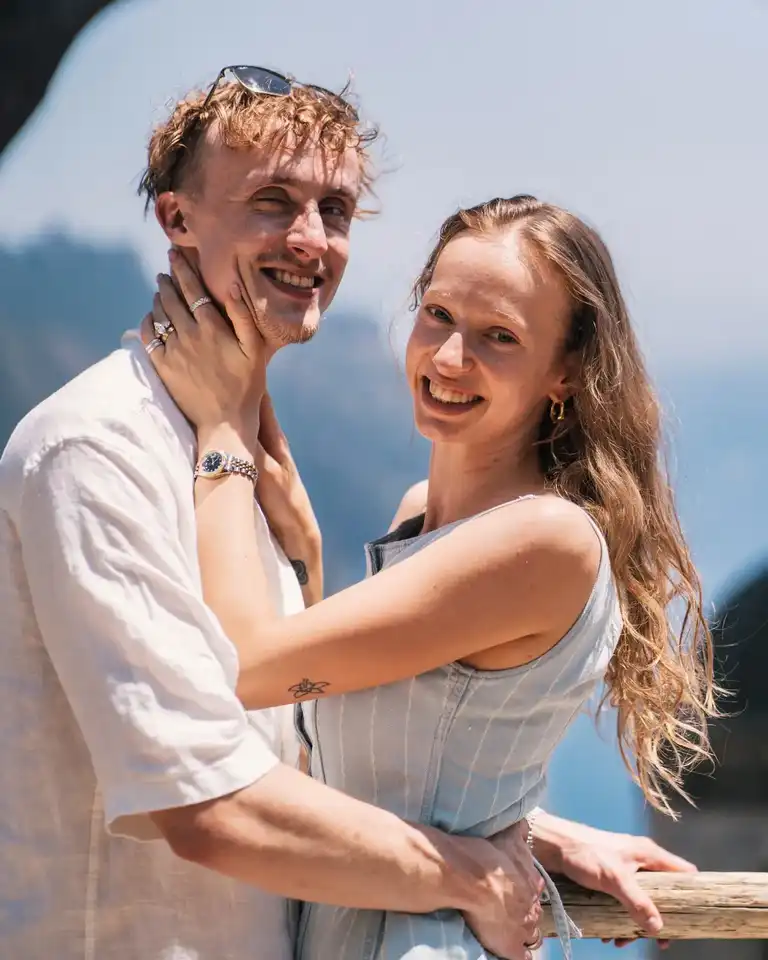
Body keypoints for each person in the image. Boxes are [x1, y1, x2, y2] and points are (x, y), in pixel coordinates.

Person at [0, 65, 695, 960]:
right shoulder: (98, 451)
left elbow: (289, 741)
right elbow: (207, 801)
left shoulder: (236, 471)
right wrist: (469, 866)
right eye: (271, 201)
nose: (309, 238)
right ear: (177, 219)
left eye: (334, 209)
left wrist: (525, 829)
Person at [144, 190, 720, 959]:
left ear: (566, 374)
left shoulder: (543, 540)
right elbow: (368, 753)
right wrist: (536, 829)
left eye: (499, 337)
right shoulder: (425, 515)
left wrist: (221, 436)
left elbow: (242, 667)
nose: (450, 358)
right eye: (439, 315)